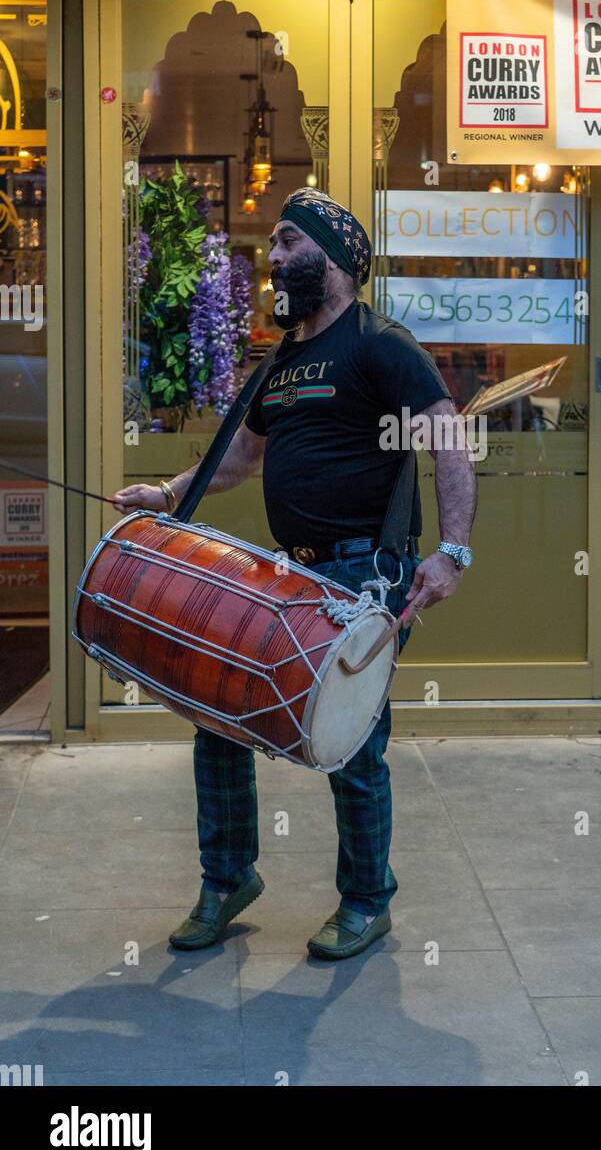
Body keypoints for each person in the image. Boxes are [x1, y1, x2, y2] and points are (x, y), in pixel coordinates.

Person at [112, 188, 477, 960]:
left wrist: (453, 551)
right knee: (218, 714)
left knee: (352, 742)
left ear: (334, 258)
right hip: (290, 577)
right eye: (272, 245)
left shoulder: (381, 346)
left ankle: (367, 900)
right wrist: (167, 495)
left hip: (367, 575)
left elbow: (447, 439)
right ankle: (227, 879)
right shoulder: (282, 361)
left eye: (286, 243)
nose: (271, 258)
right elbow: (242, 457)